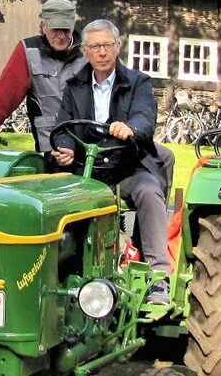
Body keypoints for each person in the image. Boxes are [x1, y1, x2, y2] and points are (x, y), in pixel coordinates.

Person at [51, 19, 173, 304]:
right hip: (86, 173)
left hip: (126, 168)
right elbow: (64, 127)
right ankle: (61, 274)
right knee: (54, 199)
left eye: (107, 45)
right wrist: (65, 148)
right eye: (95, 47)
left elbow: (145, 118)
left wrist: (131, 128)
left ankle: (158, 278)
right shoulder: (74, 86)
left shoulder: (138, 82)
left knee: (149, 190)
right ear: (85, 51)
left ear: (118, 47)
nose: (102, 52)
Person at [0, 0, 86, 154]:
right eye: (55, 29)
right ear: (43, 26)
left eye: (65, 29)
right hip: (53, 149)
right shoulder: (28, 52)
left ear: (73, 26)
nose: (61, 35)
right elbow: (3, 96)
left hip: (90, 144)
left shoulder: (90, 50)